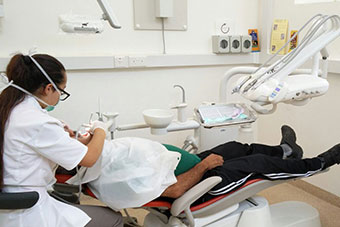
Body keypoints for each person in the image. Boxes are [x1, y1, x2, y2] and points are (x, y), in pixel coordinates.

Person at [62, 123, 340, 211]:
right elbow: (175, 190)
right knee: (257, 165)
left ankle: (287, 151)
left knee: (234, 146)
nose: (79, 132)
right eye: (74, 136)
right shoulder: (112, 175)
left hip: (185, 167)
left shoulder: (100, 157)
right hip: (200, 188)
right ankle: (317, 163)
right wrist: (204, 165)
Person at [0, 54, 123, 227]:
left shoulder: (10, 109)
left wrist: (70, 141)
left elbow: (28, 150)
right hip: (27, 212)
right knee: (114, 219)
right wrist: (100, 129)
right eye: (61, 90)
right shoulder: (38, 122)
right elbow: (89, 159)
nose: (59, 97)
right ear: (48, 88)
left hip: (12, 203)